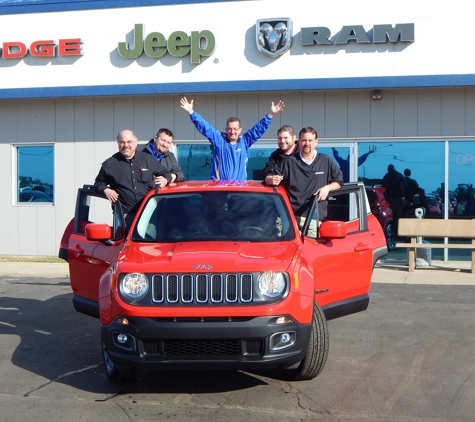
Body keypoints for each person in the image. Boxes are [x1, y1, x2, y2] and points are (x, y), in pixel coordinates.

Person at [180, 96, 285, 180]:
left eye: (235, 129)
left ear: (240, 130)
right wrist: (191, 112)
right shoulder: (219, 139)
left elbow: (258, 129)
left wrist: (271, 114)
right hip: (219, 188)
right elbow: (205, 127)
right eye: (229, 129)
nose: (232, 132)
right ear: (226, 129)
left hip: (239, 189)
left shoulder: (244, 141)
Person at [266, 127, 343, 236]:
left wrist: (327, 188)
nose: (307, 143)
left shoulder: (325, 160)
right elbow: (268, 177)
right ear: (299, 141)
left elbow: (339, 181)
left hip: (313, 219)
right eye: (304, 140)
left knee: (310, 251)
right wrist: (271, 179)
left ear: (316, 142)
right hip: (289, 218)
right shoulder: (289, 161)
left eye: (310, 140)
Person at [94, 129, 172, 227]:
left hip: (148, 213)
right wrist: (106, 190)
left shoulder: (148, 159)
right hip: (124, 215)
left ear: (135, 143)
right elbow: (98, 184)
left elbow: (167, 174)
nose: (126, 145)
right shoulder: (109, 164)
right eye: (122, 142)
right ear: (118, 144)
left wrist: (165, 180)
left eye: (129, 142)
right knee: (124, 241)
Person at [382, 164, 407, 235]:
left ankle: (393, 230)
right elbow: (406, 185)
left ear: (389, 169)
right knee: (398, 214)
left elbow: (383, 186)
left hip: (392, 197)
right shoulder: (400, 175)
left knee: (392, 214)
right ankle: (398, 231)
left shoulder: (387, 176)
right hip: (401, 197)